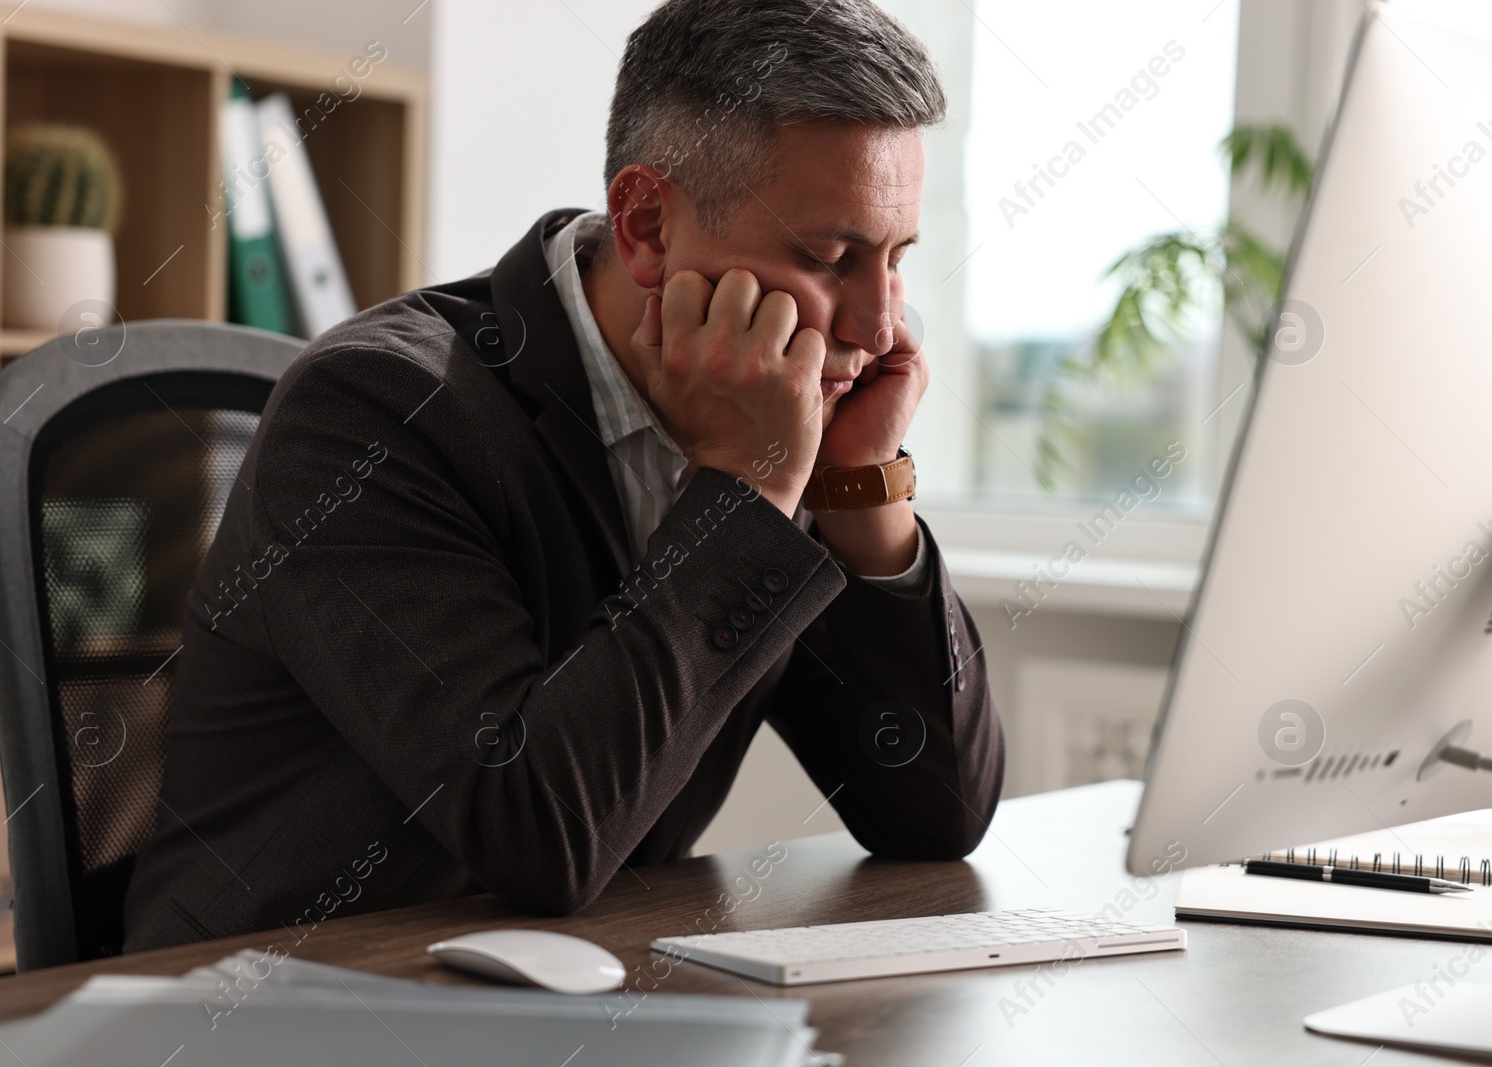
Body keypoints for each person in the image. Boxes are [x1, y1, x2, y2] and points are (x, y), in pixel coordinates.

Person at [123, 0, 1004, 952]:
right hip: (279, 1011)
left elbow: (936, 815)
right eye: (829, 259)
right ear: (649, 224)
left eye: (897, 260)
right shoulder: (371, 411)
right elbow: (535, 831)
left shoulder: (781, 420)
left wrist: (861, 487)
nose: (878, 327)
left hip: (568, 1006)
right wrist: (746, 486)